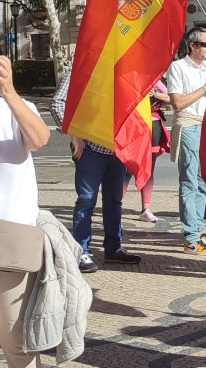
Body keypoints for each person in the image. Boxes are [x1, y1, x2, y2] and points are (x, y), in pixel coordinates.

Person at [0, 42, 52, 368]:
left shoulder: (18, 107)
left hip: (10, 235)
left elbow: (41, 140)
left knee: (13, 334)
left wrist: (10, 92)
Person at [50, 67, 143, 274]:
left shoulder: (123, 67)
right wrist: (75, 134)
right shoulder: (80, 67)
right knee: (86, 200)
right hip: (90, 149)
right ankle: (81, 250)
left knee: (114, 200)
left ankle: (113, 248)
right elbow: (57, 103)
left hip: (117, 148)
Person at [166, 26, 206, 254]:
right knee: (189, 181)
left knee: (202, 182)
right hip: (189, 125)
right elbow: (177, 103)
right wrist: (204, 90)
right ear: (193, 46)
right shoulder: (178, 67)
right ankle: (190, 236)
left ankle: (198, 231)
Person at [137, 80, 170, 223]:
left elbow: (169, 96)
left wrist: (154, 93)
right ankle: (115, 206)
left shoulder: (155, 78)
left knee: (149, 168)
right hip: (134, 123)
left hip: (153, 124)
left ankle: (146, 209)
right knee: (125, 169)